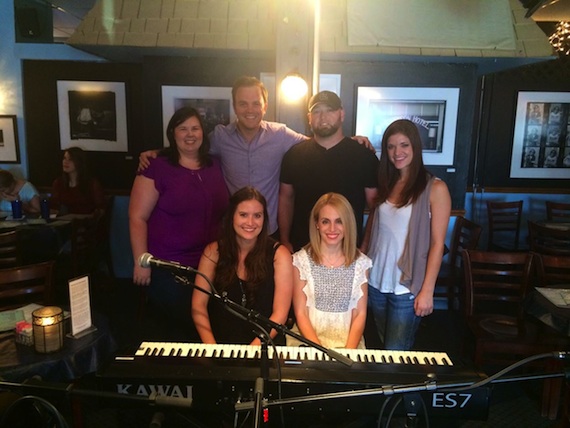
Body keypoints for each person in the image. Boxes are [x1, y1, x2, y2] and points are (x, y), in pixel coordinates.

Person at [139, 76, 373, 236]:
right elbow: (193, 145)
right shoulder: (220, 136)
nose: (249, 109)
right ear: (235, 106)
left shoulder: (281, 134)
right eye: (243, 104)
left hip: (269, 230)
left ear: (265, 105)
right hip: (232, 228)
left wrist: (351, 141)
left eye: (255, 103)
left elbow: (318, 142)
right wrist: (159, 152)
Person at [129, 106, 229, 340]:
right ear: (172, 133)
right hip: (169, 267)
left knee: (217, 319)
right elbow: (137, 217)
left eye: (195, 128)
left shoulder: (215, 165)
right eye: (183, 129)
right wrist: (141, 261)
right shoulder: (156, 167)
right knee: (186, 326)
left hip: (210, 264)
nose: (190, 134)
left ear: (203, 133)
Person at [363, 119, 451, 351]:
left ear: (415, 147)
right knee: (383, 347)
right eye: (391, 147)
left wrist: (427, 291)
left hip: (407, 287)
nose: (397, 152)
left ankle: (403, 389)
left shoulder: (436, 188)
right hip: (377, 281)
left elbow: (437, 244)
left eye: (404, 145)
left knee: (396, 353)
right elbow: (375, 226)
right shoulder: (388, 182)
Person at [279, 91, 379, 252]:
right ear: (309, 118)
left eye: (330, 110)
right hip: (303, 249)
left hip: (348, 252)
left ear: (342, 114)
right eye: (317, 111)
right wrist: (284, 240)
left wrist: (365, 246)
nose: (323, 117)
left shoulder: (363, 156)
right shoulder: (294, 155)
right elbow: (285, 198)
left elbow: (376, 207)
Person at [191, 186, 293, 345]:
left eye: (257, 216)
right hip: (219, 344)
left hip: (265, 347)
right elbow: (198, 305)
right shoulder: (213, 252)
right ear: (232, 217)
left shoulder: (280, 255)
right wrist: (212, 348)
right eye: (243, 215)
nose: (250, 222)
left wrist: (252, 350)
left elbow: (280, 314)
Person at [291, 193, 371, 349]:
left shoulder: (362, 263)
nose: (332, 229)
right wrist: (321, 353)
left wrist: (348, 353)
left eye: (339, 221)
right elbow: (301, 313)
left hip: (349, 343)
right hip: (308, 342)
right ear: (317, 224)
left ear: (348, 224)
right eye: (325, 221)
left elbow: (360, 314)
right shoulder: (300, 260)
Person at [51, 147, 106, 216]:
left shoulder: (91, 183)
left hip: (86, 222)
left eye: (70, 159)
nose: (65, 162)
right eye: (64, 158)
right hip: (65, 221)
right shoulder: (58, 183)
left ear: (79, 162)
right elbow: (54, 207)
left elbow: (101, 209)